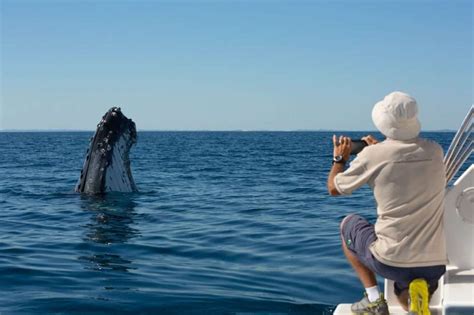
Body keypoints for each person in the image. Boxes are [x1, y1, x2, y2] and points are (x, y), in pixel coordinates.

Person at [327, 91, 448, 315]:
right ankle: (414, 301)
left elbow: (334, 188)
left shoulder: (374, 155)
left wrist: (340, 159)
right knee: (406, 288)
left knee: (348, 224)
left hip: (391, 261)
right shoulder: (434, 150)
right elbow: (403, 158)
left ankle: (374, 300)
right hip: (435, 263)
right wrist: (379, 149)